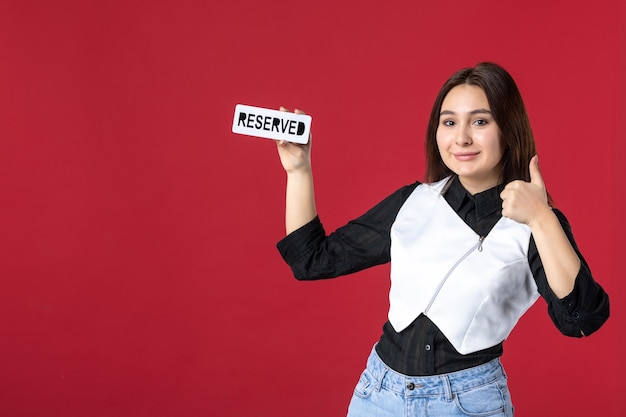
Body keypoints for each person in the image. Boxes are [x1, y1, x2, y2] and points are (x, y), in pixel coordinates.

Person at [274, 62, 610, 417]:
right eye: (449, 122)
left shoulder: (539, 223)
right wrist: (298, 170)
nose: (461, 138)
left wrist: (542, 219)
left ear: (508, 129)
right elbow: (311, 260)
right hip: (378, 395)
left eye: (480, 121)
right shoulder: (413, 202)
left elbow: (581, 320)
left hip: (468, 404)